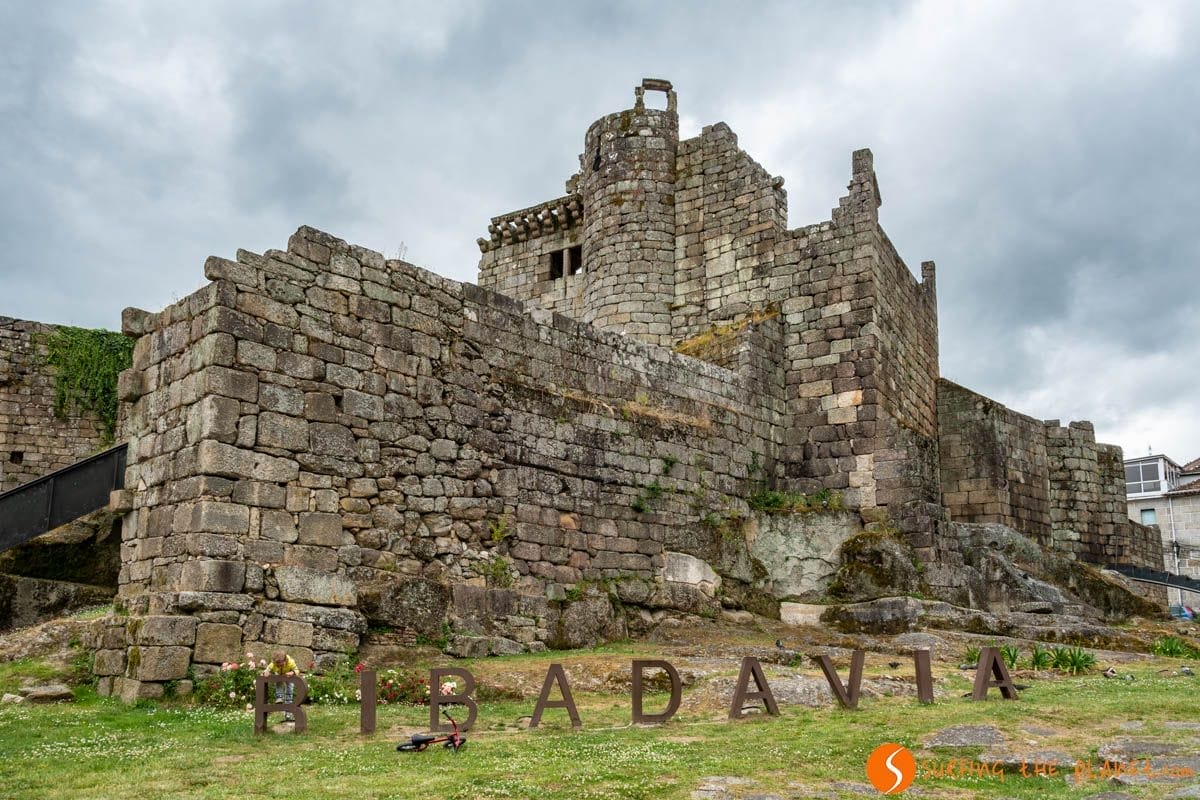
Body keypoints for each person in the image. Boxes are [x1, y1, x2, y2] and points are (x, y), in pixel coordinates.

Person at [266, 650, 300, 721]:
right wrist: (266, 672)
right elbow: (267, 669)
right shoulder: (273, 664)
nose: (278, 666)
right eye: (277, 665)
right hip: (280, 676)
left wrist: (292, 672)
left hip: (289, 676)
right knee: (278, 680)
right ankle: (279, 697)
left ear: (285, 661)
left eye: (280, 665)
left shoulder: (291, 662)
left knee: (289, 691)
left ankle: (288, 713)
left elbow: (297, 670)